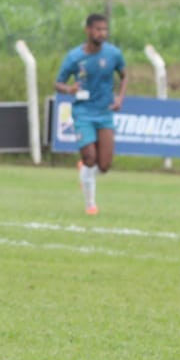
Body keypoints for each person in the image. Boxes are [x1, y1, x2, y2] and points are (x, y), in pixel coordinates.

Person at [54, 13, 127, 216]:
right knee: (90, 157)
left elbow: (124, 74)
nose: (102, 33)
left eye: (105, 29)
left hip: (104, 113)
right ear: (88, 30)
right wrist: (69, 89)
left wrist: (120, 98)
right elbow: (58, 83)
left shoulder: (113, 54)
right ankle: (90, 205)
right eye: (98, 29)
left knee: (104, 165)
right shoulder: (74, 57)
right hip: (83, 112)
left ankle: (85, 174)